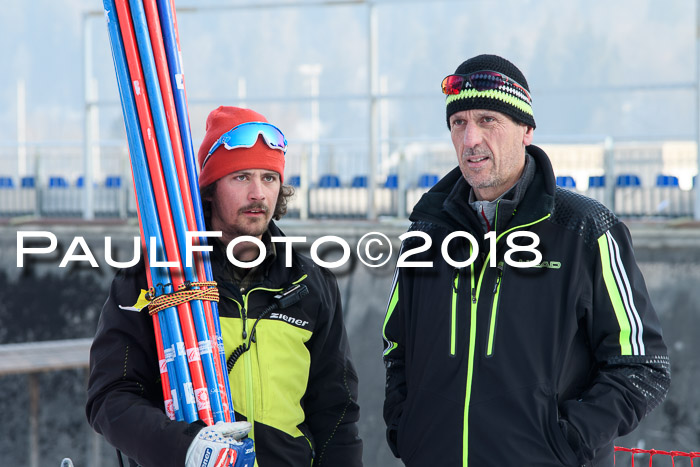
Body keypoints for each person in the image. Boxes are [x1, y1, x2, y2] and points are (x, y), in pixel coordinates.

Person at [381, 54, 671, 466]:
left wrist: (565, 441)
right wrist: (406, 429)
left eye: (487, 120)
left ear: (526, 131)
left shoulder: (585, 229)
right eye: (458, 123)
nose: (470, 140)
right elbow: (396, 347)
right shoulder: (425, 235)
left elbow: (644, 364)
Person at [87, 106, 363, 467]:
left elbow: (336, 415)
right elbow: (110, 397)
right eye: (240, 177)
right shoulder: (152, 279)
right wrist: (185, 448)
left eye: (268, 178)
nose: (258, 194)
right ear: (210, 188)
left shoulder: (310, 284)